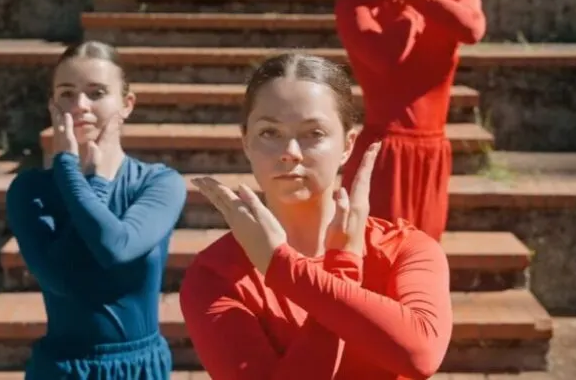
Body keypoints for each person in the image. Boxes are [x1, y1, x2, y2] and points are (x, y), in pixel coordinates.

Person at [179, 52, 453, 380]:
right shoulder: (216, 274)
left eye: (314, 134)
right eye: (269, 132)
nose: (290, 153)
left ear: (348, 144)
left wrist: (282, 267)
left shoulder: (405, 250)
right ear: (246, 142)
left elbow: (419, 357)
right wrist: (341, 271)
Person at [5, 41, 187, 380]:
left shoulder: (158, 183)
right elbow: (63, 280)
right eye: (67, 94)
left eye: (97, 92)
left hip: (140, 368)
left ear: (127, 104)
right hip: (64, 369)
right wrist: (82, 175)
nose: (80, 106)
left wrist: (78, 175)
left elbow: (115, 247)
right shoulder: (30, 191)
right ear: (52, 105)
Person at [335, 0, 487, 242]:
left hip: (432, 154)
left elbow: (472, 29)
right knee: (374, 264)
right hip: (382, 155)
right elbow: (389, 59)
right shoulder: (355, 5)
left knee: (421, 266)